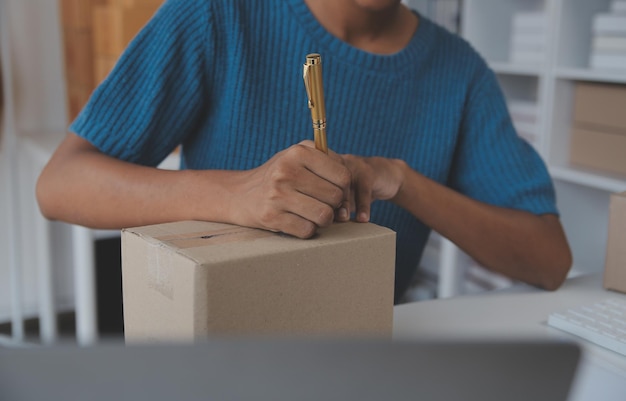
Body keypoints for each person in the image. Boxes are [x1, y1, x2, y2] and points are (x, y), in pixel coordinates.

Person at [37, 0, 572, 304]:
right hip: (216, 355)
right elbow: (61, 183)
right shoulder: (216, 14)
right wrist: (237, 195)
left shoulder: (459, 71)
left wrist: (404, 182)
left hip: (360, 364)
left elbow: (548, 260)